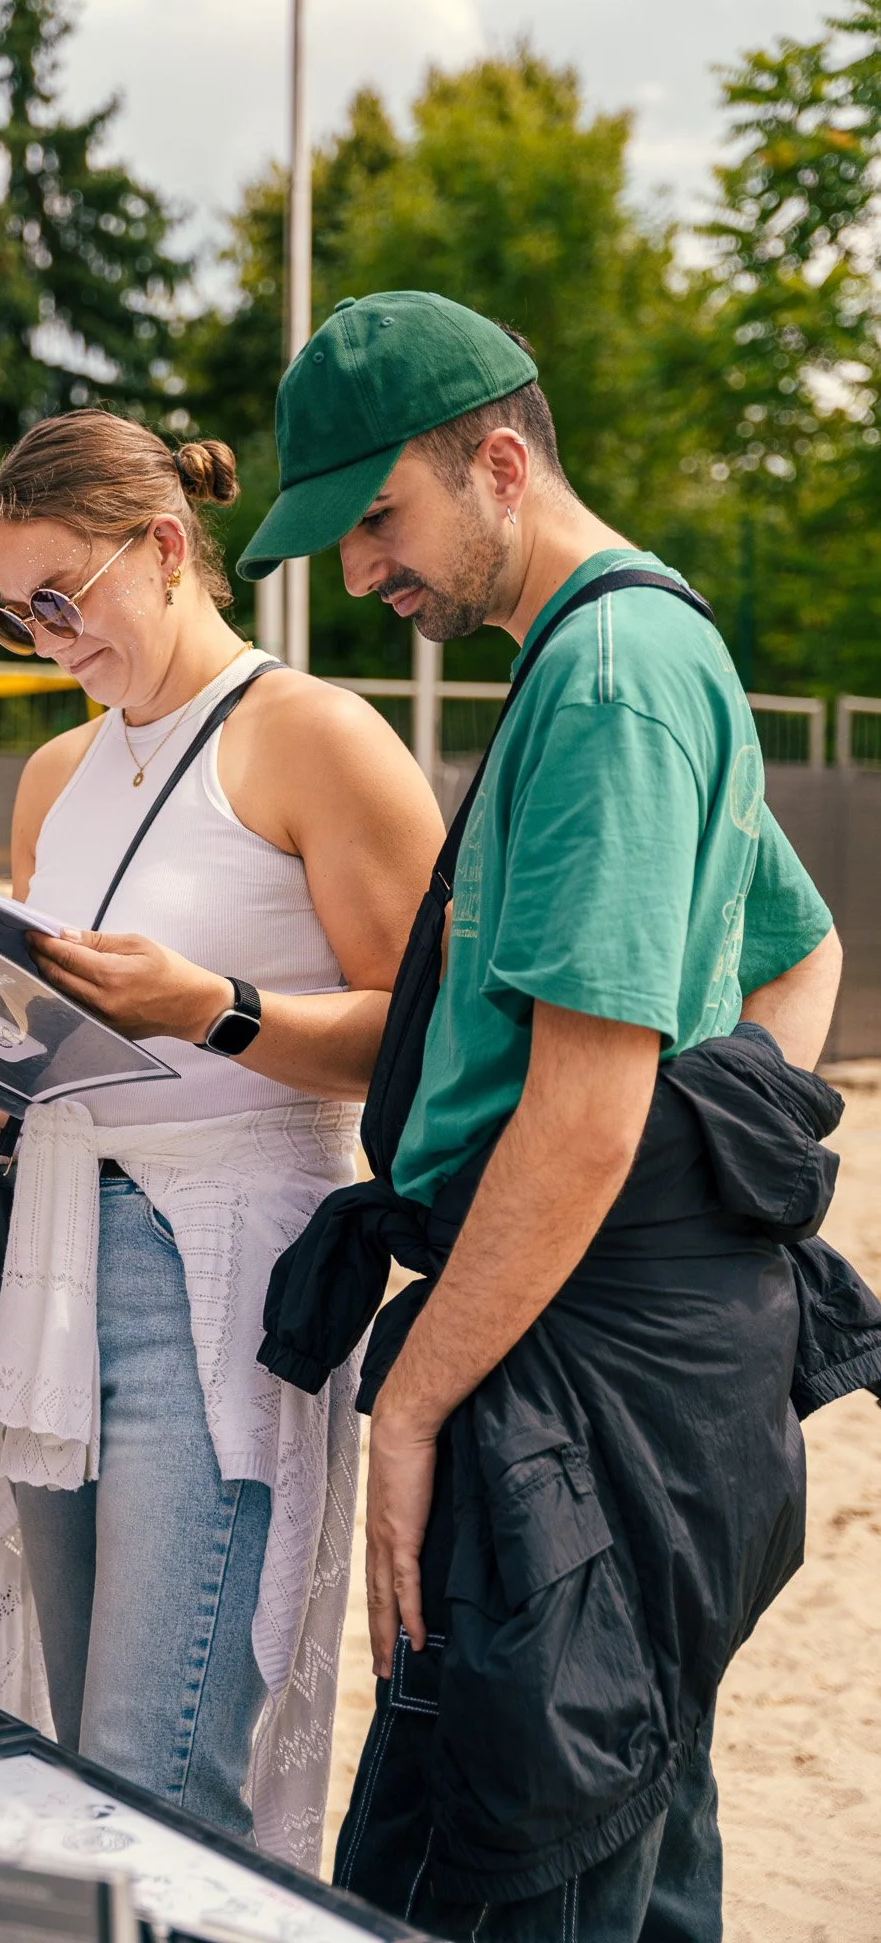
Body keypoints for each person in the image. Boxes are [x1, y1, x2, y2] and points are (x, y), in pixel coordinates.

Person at [240, 291, 859, 1938]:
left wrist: (423, 1402)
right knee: (629, 1841)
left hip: (577, 1365)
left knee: (512, 1864)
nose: (366, 572)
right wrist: (696, 1161)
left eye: (380, 517)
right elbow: (801, 957)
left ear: (497, 460)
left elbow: (584, 1117)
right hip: (630, 1352)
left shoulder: (608, 677)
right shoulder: (640, 648)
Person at [0, 409, 444, 1864]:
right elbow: (45, 1066)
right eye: (16, 613)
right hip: (54, 1259)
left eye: (59, 601)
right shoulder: (54, 775)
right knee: (67, 1743)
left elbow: (428, 1026)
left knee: (162, 1763)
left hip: (224, 1269)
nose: (45, 638)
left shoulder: (315, 736)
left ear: (164, 550)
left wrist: (215, 1008)